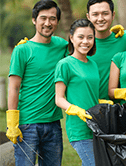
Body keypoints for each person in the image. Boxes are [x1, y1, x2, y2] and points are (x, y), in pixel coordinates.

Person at [6, 0, 67, 165]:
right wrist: (12, 123)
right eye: (43, 18)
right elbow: (14, 87)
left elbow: (85, 46)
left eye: (52, 19)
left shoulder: (62, 45)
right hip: (27, 125)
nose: (48, 23)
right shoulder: (22, 49)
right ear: (34, 20)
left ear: (57, 22)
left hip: (53, 124)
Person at [55, 19, 103, 166]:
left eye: (90, 37)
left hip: (96, 125)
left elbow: (90, 93)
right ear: (71, 38)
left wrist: (101, 102)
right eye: (80, 37)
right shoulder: (65, 64)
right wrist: (75, 109)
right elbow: (59, 98)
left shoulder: (93, 64)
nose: (85, 41)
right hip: (79, 127)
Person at [86, 0, 126, 109]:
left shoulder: (125, 39)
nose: (100, 19)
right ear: (88, 17)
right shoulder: (82, 45)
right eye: (95, 14)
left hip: (121, 110)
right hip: (89, 108)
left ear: (113, 15)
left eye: (105, 14)